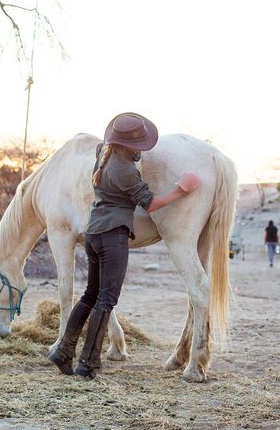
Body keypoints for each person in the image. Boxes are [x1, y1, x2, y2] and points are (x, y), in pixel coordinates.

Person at [48, 112, 200, 379]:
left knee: (90, 294)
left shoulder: (102, 154)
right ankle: (88, 362)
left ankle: (63, 350)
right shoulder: (125, 170)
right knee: (107, 298)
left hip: (93, 232)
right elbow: (150, 203)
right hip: (112, 236)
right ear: (130, 144)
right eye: (139, 144)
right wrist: (180, 190)